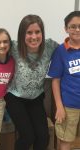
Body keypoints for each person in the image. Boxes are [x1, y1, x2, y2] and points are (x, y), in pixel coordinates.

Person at [0, 14, 58, 150]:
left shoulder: (50, 46)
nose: (34, 37)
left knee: (43, 137)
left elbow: (67, 50)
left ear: (42, 32)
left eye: (37, 32)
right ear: (22, 34)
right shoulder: (14, 47)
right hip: (15, 98)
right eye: (29, 32)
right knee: (27, 136)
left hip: (36, 98)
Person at [48, 11, 80, 150]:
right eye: (73, 26)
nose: (77, 30)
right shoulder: (61, 51)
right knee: (65, 139)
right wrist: (59, 106)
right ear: (66, 29)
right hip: (69, 105)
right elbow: (55, 80)